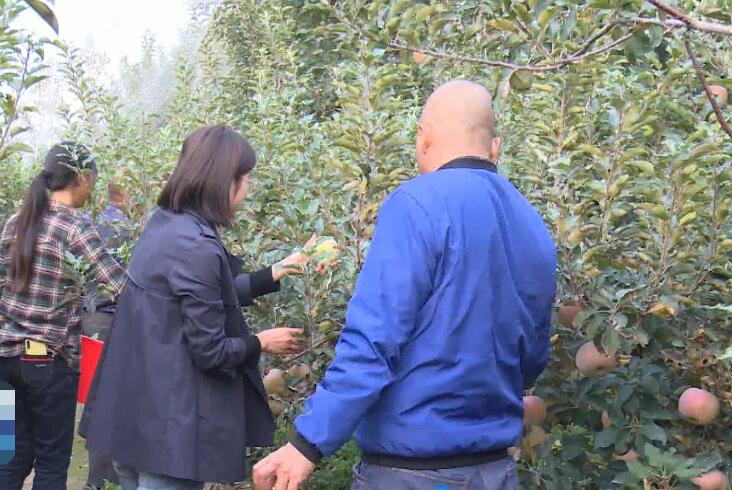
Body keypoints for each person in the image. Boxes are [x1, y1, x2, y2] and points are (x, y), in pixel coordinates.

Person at [253, 80, 558, 490]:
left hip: (411, 474)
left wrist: (308, 443)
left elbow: (373, 342)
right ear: (495, 147)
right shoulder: (532, 222)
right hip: (494, 472)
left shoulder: (416, 204)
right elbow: (533, 357)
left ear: (424, 138)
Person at [80, 125, 310, 490]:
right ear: (224, 181)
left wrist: (273, 273)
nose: (248, 190)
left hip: (135, 423)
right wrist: (261, 342)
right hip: (169, 440)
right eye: (246, 178)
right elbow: (211, 351)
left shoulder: (166, 226)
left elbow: (191, 300)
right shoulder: (196, 246)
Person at [0, 142, 126, 490]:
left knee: (6, 459)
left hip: (4, 364)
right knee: (52, 463)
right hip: (46, 363)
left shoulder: (15, 223)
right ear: (81, 178)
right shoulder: (74, 227)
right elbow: (120, 285)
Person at [82, 182, 133, 490]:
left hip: (89, 318)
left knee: (94, 401)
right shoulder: (125, 228)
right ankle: (102, 481)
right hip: (110, 320)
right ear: (126, 195)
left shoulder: (95, 223)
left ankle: (96, 480)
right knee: (107, 403)